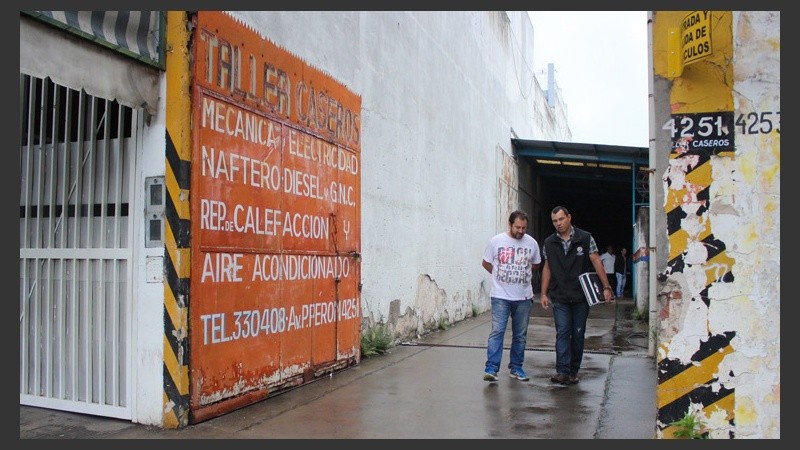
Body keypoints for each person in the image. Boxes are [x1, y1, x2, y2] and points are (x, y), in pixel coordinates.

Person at [539, 206, 613, 385]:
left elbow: (596, 261)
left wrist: (606, 287)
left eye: (561, 219)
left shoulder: (585, 238)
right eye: (555, 221)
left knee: (578, 334)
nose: (559, 224)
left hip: (580, 297)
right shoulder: (549, 242)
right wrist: (543, 293)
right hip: (560, 296)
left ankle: (573, 371)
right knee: (563, 332)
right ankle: (562, 372)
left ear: (569, 218)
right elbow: (547, 267)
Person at [482, 210, 541, 382]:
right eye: (517, 227)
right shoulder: (496, 241)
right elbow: (486, 262)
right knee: (497, 332)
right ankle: (491, 369)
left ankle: (516, 368)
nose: (521, 231)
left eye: (524, 228)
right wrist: (499, 275)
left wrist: (520, 275)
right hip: (500, 296)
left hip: (523, 297)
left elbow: (536, 264)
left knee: (520, 335)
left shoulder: (532, 243)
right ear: (510, 224)